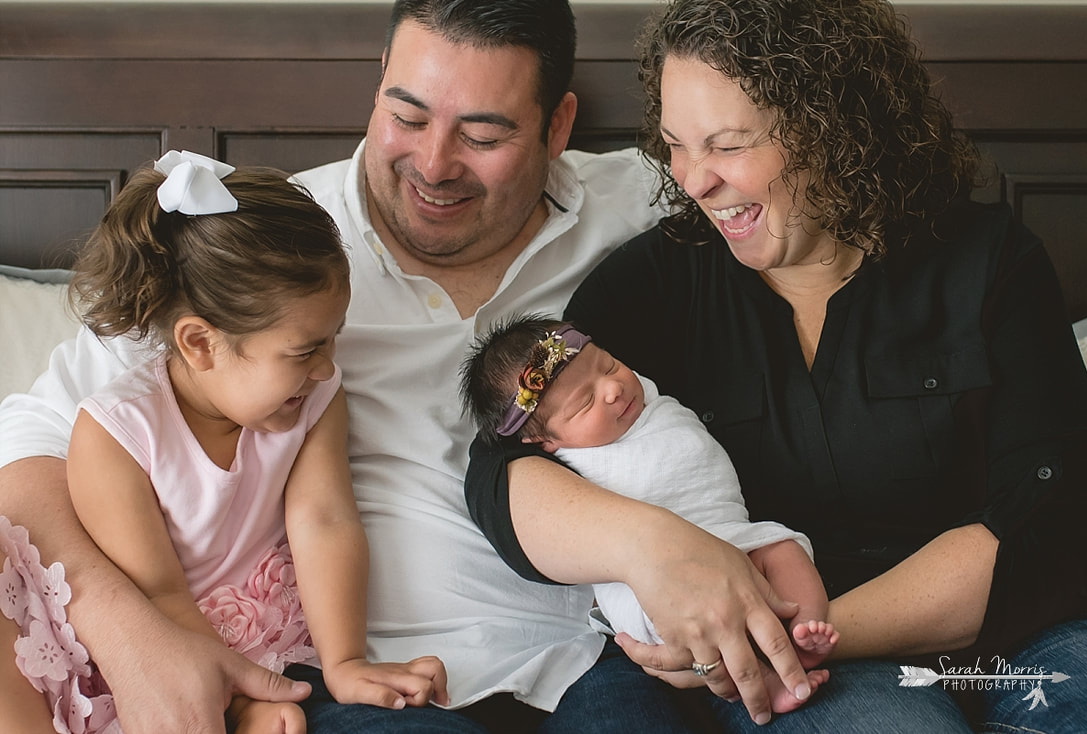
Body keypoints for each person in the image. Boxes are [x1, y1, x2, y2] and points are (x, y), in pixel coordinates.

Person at [0, 1, 773, 732]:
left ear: (558, 124)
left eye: (484, 134)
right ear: (378, 82)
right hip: (369, 682)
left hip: (593, 652)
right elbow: (25, 440)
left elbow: (808, 201)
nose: (434, 164)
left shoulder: (647, 203)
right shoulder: (263, 251)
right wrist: (125, 626)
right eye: (406, 116)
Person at [465, 0, 1087, 730]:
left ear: (836, 132)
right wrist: (649, 548)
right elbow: (498, 464)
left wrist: (788, 636)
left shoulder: (990, 264)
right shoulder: (651, 287)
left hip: (1016, 635)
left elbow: (1052, 520)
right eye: (675, 144)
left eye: (728, 145)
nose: (694, 180)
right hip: (825, 682)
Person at [0, 151, 448, 734]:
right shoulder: (116, 436)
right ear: (201, 343)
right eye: (304, 349)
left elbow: (325, 520)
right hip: (160, 637)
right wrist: (241, 707)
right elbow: (158, 596)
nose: (326, 367)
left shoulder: (316, 396)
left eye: (332, 338)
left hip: (259, 627)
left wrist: (345, 663)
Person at [461, 315, 837, 711]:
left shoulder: (644, 397)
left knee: (786, 550)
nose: (612, 389)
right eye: (584, 403)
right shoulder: (569, 461)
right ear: (545, 441)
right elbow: (503, 481)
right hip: (649, 588)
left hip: (729, 531)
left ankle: (804, 634)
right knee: (707, 616)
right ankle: (766, 682)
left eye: (608, 365)